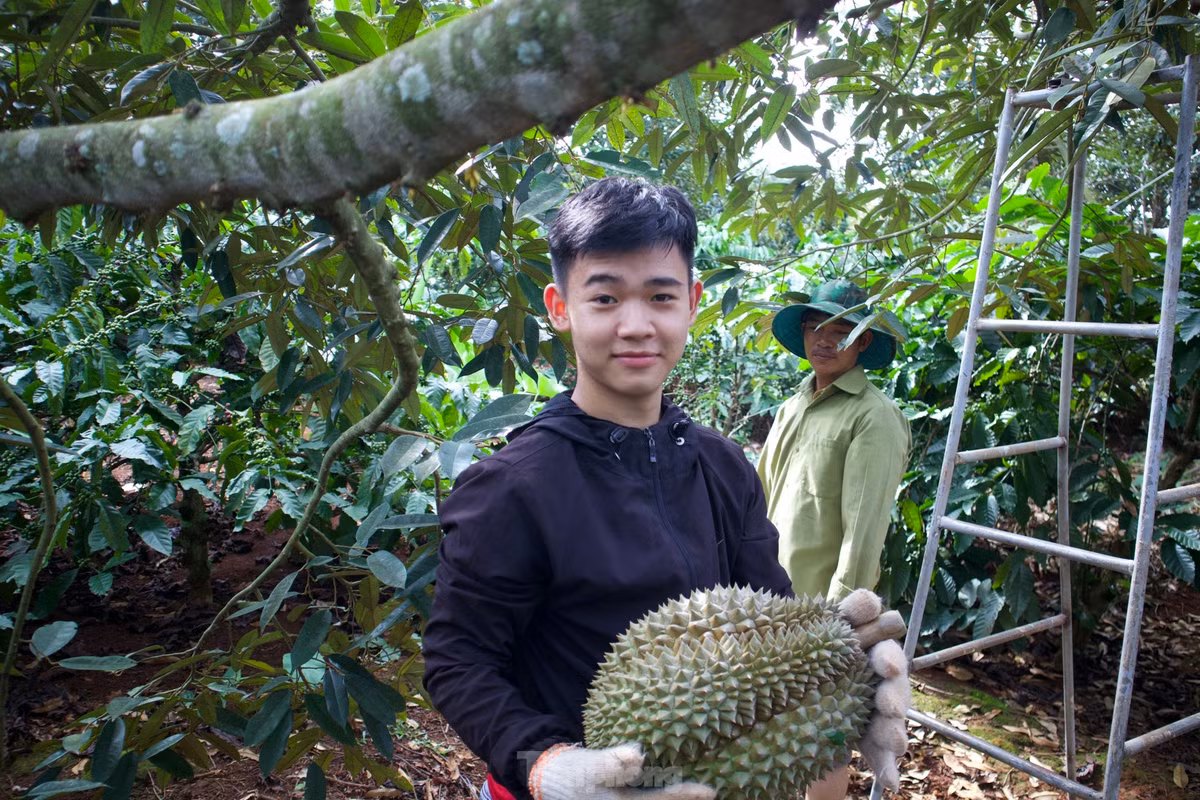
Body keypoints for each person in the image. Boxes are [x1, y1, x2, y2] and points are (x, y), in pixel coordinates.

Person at [422, 180, 908, 800]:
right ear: (559, 306)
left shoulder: (724, 467)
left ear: (692, 303)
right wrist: (546, 764)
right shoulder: (510, 487)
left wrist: (849, 677)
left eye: (660, 296)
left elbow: (775, 617)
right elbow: (460, 660)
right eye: (604, 297)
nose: (636, 325)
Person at [757, 278, 913, 800]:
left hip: (822, 607)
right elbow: (759, 498)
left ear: (864, 341)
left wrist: (839, 624)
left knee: (821, 734)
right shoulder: (793, 404)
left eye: (841, 329)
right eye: (813, 328)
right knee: (772, 728)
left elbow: (864, 529)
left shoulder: (874, 417)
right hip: (767, 595)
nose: (824, 340)